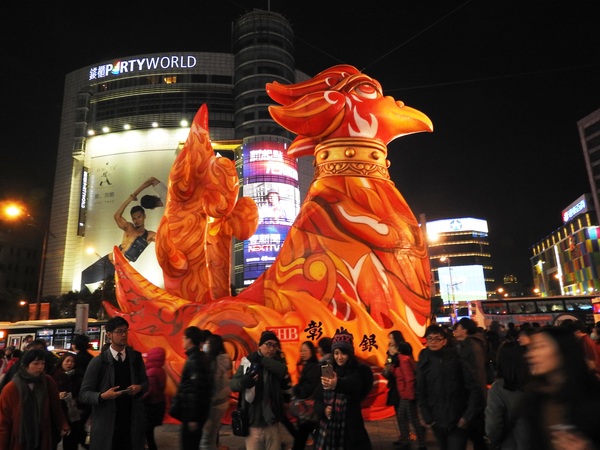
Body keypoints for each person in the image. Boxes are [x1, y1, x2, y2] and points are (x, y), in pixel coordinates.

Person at [523, 326, 600, 449]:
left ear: (562, 349)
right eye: (531, 348)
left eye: (540, 346)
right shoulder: (535, 398)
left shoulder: (591, 396)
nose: (530, 354)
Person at [79, 317, 149, 450]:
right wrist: (102, 396)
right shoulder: (99, 362)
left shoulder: (135, 358)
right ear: (109, 334)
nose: (124, 335)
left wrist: (139, 388)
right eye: (119, 331)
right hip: (107, 426)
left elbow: (145, 382)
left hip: (131, 424)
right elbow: (84, 394)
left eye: (126, 331)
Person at [416, 324, 484, 450]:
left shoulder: (456, 359)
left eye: (437, 338)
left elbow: (474, 387)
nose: (433, 342)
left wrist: (467, 416)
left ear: (444, 341)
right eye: (430, 338)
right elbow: (420, 391)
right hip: (437, 420)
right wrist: (428, 417)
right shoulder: (424, 361)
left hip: (457, 420)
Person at [80, 186, 157, 293]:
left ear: (144, 216)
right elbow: (117, 216)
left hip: (118, 270)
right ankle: (85, 301)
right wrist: (130, 199)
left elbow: (166, 241)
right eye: (134, 218)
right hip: (106, 262)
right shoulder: (129, 227)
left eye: (139, 217)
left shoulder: (149, 235)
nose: (137, 220)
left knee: (111, 293)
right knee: (81, 278)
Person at [314, 327, 373, 450]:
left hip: (349, 428)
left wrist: (337, 384)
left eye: (343, 353)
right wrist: (324, 409)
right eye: (336, 353)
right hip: (328, 429)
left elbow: (353, 386)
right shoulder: (328, 370)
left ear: (350, 354)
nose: (339, 357)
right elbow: (318, 397)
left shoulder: (358, 370)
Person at [230, 330, 289, 450]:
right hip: (253, 423)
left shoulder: (277, 362)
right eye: (268, 344)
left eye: (275, 345)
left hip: (271, 422)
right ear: (260, 345)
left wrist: (260, 359)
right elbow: (233, 384)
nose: (271, 349)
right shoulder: (248, 362)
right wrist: (244, 382)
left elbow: (282, 370)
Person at [0, 348, 70, 450]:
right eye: (36, 363)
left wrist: (63, 424)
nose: (40, 367)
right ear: (25, 365)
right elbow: (4, 421)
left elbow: (56, 407)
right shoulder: (11, 388)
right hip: (19, 437)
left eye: (43, 363)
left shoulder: (47, 382)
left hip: (42, 434)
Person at [484, 340, 531, 449]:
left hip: (510, 444)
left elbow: (493, 425)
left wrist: (493, 441)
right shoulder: (534, 384)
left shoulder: (497, 389)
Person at [173, 326, 213, 450]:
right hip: (196, 414)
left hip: (193, 415)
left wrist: (192, 417)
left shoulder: (194, 360)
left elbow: (194, 391)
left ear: (189, 340)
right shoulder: (198, 357)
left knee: (190, 445)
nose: (182, 341)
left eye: (184, 338)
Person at [385, 331, 426, 450]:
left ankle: (419, 443)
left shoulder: (404, 357)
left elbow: (409, 378)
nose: (390, 341)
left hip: (406, 393)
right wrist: (390, 357)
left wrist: (409, 394)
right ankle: (405, 439)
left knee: (412, 419)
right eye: (389, 338)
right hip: (398, 389)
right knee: (401, 416)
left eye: (392, 338)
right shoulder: (395, 357)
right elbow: (388, 369)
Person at [453, 318, 488, 450]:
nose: (455, 330)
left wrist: (473, 405)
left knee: (477, 436)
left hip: (474, 396)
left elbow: (475, 375)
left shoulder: (470, 346)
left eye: (458, 327)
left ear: (465, 330)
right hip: (475, 395)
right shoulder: (471, 343)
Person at [200, 334, 232, 450]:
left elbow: (214, 383)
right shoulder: (224, 359)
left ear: (212, 345)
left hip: (214, 403)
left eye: (207, 343)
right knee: (212, 436)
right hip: (222, 401)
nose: (204, 346)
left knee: (206, 439)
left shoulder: (215, 363)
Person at [52, 353, 85, 450]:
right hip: (58, 411)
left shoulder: (78, 377)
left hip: (72, 413)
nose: (70, 363)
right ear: (62, 361)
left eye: (72, 362)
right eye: (67, 361)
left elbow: (82, 393)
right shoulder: (54, 376)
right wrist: (58, 395)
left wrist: (75, 399)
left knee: (71, 440)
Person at [291, 341, 320, 450]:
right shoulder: (308, 365)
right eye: (301, 350)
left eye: (305, 350)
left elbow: (308, 387)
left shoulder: (312, 367)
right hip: (309, 409)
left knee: (302, 436)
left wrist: (297, 389)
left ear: (311, 352)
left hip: (308, 408)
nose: (302, 353)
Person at [143, 347, 167, 450]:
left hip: (150, 406)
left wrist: (139, 398)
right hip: (158, 404)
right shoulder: (161, 370)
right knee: (149, 432)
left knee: (147, 432)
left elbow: (150, 391)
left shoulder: (152, 371)